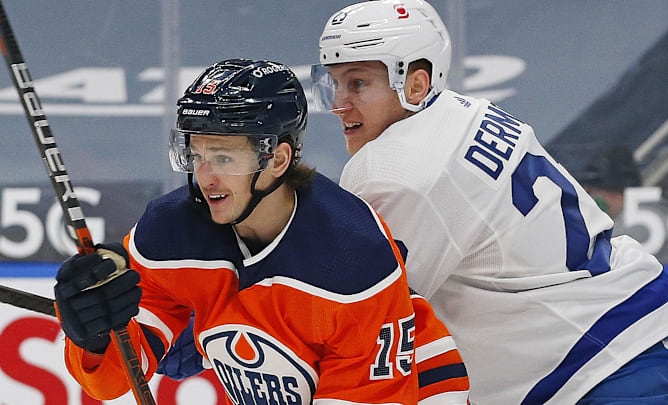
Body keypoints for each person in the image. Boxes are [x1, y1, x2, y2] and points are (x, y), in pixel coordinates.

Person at [308, 1, 668, 404]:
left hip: (610, 366)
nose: (340, 102)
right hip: (592, 354)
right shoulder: (460, 112)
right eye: (333, 82)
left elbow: (357, 320)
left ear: (415, 84)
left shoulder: (395, 169)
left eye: (358, 83)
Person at [54, 58, 470, 404]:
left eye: (222, 157)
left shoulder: (351, 262)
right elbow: (114, 378)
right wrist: (92, 339)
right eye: (196, 154)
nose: (205, 177)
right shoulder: (169, 232)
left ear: (277, 159)